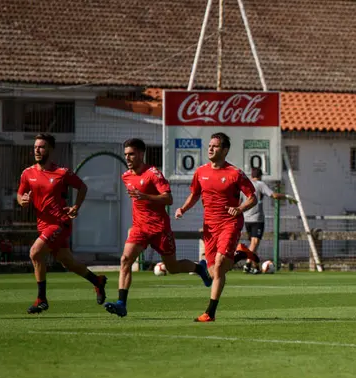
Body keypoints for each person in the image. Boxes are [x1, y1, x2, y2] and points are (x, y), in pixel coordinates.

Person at [103, 138, 212, 318]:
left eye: (131, 154)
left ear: (140, 154)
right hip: (139, 228)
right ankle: (121, 303)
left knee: (173, 267)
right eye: (126, 155)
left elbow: (168, 198)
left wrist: (145, 196)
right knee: (125, 260)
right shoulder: (126, 176)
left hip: (159, 228)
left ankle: (199, 268)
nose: (128, 158)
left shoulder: (153, 174)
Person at [17, 133, 107, 314]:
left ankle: (41, 299)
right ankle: (97, 281)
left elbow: (82, 187)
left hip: (60, 223)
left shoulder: (62, 173)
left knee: (35, 253)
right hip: (43, 224)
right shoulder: (27, 173)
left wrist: (76, 206)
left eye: (41, 147)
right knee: (69, 263)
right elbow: (20, 195)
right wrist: (23, 200)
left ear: (50, 150)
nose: (37, 150)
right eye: (35, 147)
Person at [175, 132, 257, 322]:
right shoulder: (201, 172)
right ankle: (241, 254)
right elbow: (195, 195)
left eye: (215, 146)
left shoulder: (235, 173)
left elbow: (252, 198)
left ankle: (210, 313)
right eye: (210, 146)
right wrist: (183, 209)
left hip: (230, 222)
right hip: (209, 227)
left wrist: (239, 209)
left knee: (219, 265)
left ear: (225, 150)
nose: (210, 149)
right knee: (214, 273)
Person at [239, 167, 295, 274]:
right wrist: (287, 196)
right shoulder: (260, 184)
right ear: (260, 176)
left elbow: (239, 201)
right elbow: (273, 195)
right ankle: (247, 265)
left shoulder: (245, 185)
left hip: (246, 218)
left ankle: (256, 267)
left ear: (251, 175)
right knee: (254, 243)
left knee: (253, 244)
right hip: (257, 218)